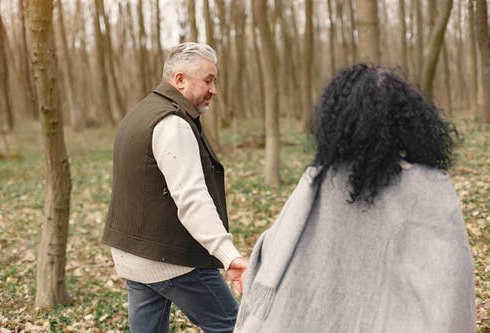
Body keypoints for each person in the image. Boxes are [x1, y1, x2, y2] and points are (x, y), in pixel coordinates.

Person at [234, 64, 476, 333]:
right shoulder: (430, 186)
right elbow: (451, 285)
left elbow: (272, 254)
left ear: (337, 123)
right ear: (409, 121)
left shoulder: (318, 182)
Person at [103, 42, 247, 333]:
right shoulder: (172, 124)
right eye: (208, 80)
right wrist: (228, 255)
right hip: (172, 260)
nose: (214, 90)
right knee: (234, 326)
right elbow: (192, 198)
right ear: (180, 79)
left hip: (133, 255)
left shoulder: (140, 113)